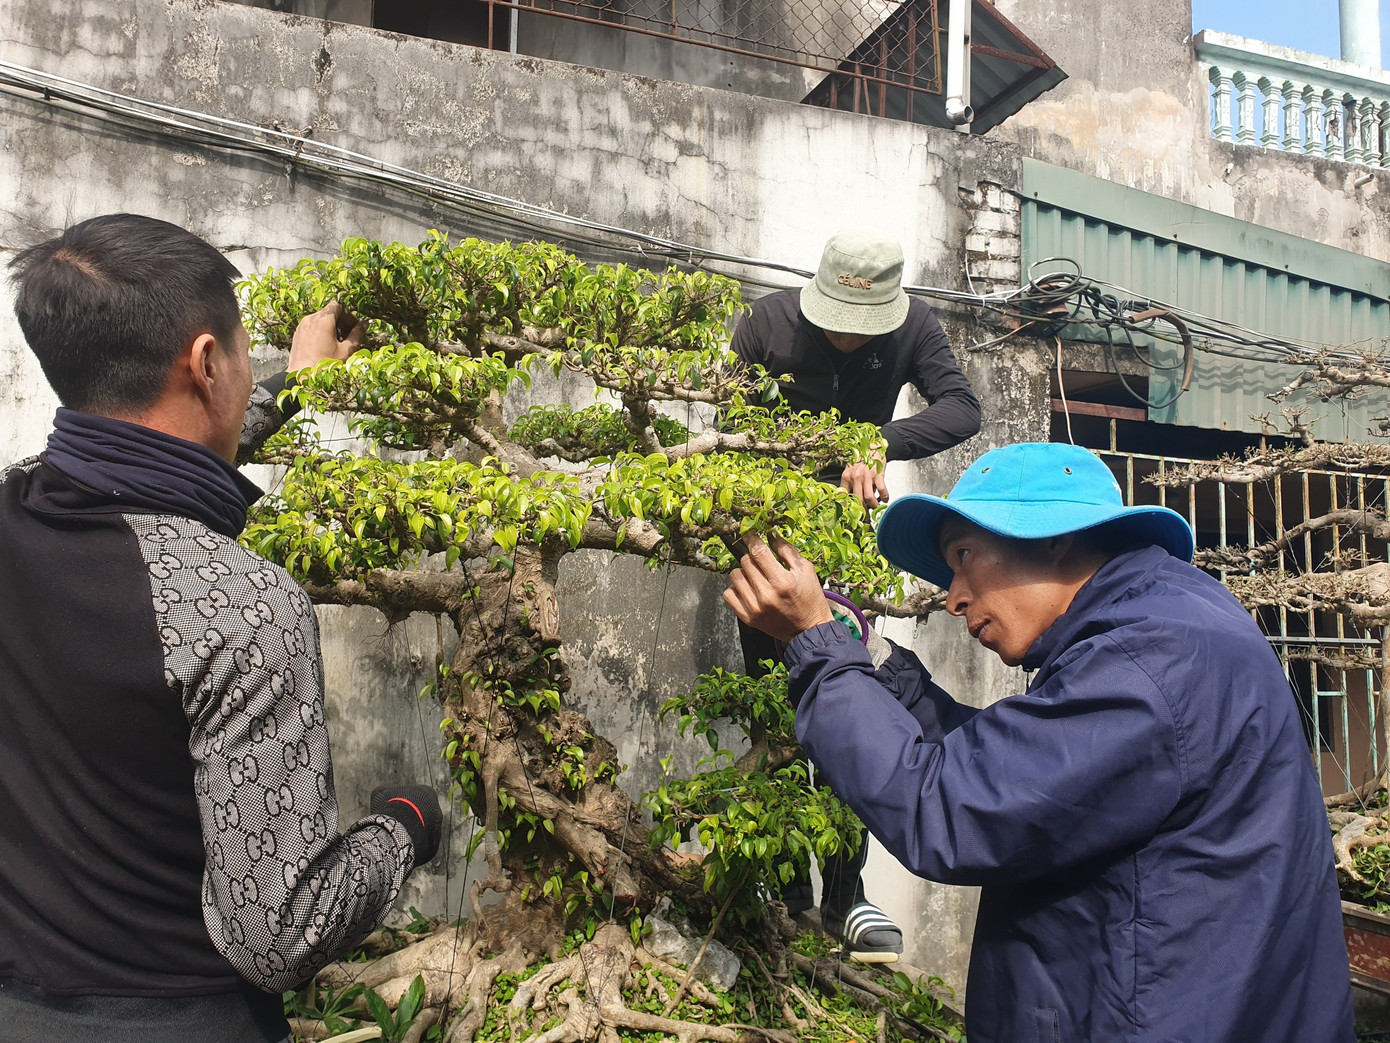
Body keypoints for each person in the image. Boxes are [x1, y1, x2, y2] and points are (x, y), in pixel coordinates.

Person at [722, 441, 1354, 1041]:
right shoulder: (1166, 626)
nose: (953, 599)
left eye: (963, 556)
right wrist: (874, 660)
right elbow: (1016, 771)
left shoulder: (1149, 659)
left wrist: (815, 642)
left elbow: (948, 808)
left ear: (1053, 539)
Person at [0, 213, 444, 1043]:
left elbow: (136, 464)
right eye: (241, 348)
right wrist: (405, 825)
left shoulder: (13, 505)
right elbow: (280, 933)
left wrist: (295, 385)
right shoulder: (244, 606)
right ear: (207, 363)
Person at [730, 228, 981, 961]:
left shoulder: (915, 326)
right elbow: (730, 424)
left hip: (845, 546)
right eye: (836, 319)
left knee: (848, 705)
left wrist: (877, 443)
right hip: (768, 542)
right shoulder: (766, 322)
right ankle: (786, 888)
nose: (846, 336)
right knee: (776, 715)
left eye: (861, 325)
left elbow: (962, 407)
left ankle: (846, 894)